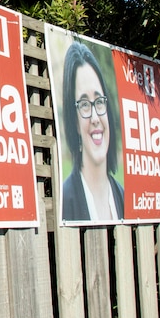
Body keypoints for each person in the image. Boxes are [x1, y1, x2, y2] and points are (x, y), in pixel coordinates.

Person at [60, 41, 124, 221]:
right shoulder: (66, 201)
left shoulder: (124, 198)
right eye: (85, 105)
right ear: (74, 120)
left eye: (99, 101)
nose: (95, 117)